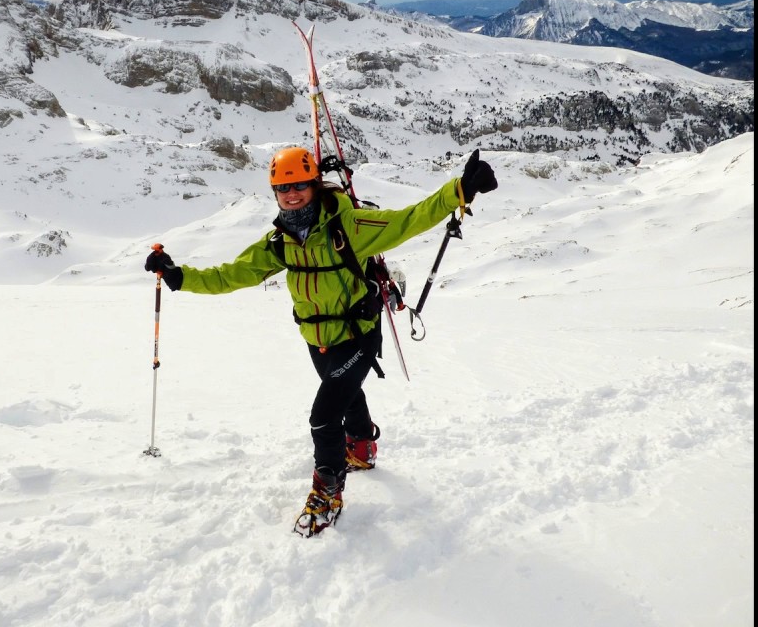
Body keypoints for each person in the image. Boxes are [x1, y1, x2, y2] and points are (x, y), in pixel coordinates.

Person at [144, 146, 498, 536]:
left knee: (324, 416)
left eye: (298, 185)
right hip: (316, 339)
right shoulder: (279, 242)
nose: (291, 194)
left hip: (358, 335)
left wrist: (459, 190)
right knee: (345, 393)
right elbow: (231, 274)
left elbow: (408, 220)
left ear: (314, 184)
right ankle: (361, 447)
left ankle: (327, 492)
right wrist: (179, 276)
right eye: (282, 188)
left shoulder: (349, 227)